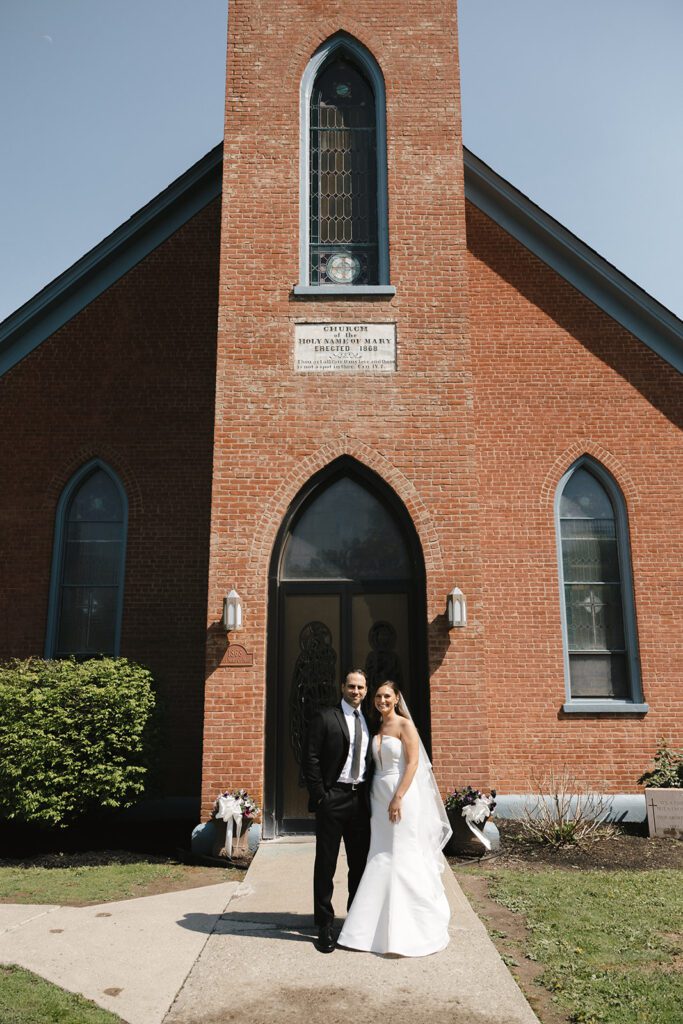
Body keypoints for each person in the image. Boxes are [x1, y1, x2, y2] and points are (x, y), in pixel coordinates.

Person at [337, 680, 452, 957]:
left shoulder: (404, 725)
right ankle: (370, 927)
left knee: (402, 853)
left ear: (397, 697)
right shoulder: (375, 727)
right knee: (380, 854)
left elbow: (413, 763)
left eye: (387, 695)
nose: (382, 700)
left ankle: (414, 925)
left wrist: (399, 796)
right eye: (378, 696)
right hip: (377, 797)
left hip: (401, 796)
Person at [302, 669, 374, 954]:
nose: (356, 691)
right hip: (333, 799)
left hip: (360, 802)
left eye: (360, 687)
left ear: (366, 691)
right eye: (351, 686)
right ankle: (324, 924)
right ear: (342, 687)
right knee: (326, 864)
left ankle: (354, 922)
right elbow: (310, 758)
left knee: (358, 865)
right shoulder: (326, 717)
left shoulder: (370, 720)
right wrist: (321, 796)